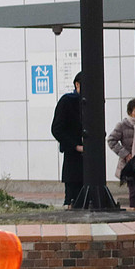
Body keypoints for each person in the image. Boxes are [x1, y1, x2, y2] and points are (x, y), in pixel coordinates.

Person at [51, 72, 85, 206]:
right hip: (73, 157)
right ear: (77, 85)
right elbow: (56, 129)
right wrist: (75, 146)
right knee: (73, 198)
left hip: (92, 161)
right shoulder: (67, 101)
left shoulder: (94, 102)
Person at [107, 98, 135, 208]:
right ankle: (134, 214)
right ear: (130, 112)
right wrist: (126, 154)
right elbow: (111, 140)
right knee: (134, 192)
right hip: (129, 163)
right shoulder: (123, 125)